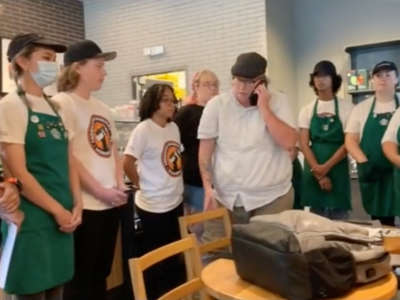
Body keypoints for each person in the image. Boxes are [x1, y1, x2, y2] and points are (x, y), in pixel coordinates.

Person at [0, 33, 81, 300]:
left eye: (55, 60)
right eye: (46, 58)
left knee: (57, 290)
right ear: (22, 61)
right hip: (32, 218)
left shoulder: (57, 107)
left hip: (63, 218)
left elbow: (70, 161)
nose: (54, 66)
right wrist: (57, 210)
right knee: (32, 292)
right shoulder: (10, 106)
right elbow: (19, 172)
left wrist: (77, 205)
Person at [53, 40, 127, 300]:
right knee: (80, 279)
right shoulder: (62, 103)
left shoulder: (103, 109)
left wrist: (119, 184)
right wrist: (99, 190)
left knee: (101, 274)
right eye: (99, 66)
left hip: (110, 204)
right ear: (77, 68)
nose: (104, 72)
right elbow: (68, 155)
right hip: (86, 205)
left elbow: (114, 151)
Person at [198, 52, 297, 224]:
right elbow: (205, 153)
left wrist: (264, 108)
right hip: (226, 197)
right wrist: (208, 190)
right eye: (237, 80)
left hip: (272, 197)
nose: (242, 87)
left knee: (267, 249)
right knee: (218, 249)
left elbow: (289, 142)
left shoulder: (279, 101)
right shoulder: (217, 105)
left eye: (249, 82)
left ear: (261, 82)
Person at [123, 84, 185, 299]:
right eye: (166, 100)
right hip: (153, 205)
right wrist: (140, 183)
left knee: (173, 256)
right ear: (154, 103)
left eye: (173, 100)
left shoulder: (173, 128)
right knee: (155, 257)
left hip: (174, 201)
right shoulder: (143, 130)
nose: (171, 104)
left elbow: (174, 158)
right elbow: (127, 162)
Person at [345, 61, 400, 226]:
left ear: (397, 79)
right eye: (378, 75)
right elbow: (350, 140)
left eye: (388, 75)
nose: (383, 79)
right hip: (373, 173)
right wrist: (363, 162)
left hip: (397, 172)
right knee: (380, 224)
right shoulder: (361, 109)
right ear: (372, 80)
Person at [298, 60, 353, 219]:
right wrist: (320, 173)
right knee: (316, 222)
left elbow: (348, 143)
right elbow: (303, 143)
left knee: (340, 221)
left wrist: (326, 167)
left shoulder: (347, 108)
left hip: (337, 167)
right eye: (317, 76)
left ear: (333, 79)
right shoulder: (306, 110)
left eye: (325, 76)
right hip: (313, 169)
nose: (320, 80)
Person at [174, 70, 219, 219]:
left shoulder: (220, 111)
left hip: (219, 178)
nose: (212, 88)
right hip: (195, 179)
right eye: (207, 84)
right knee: (201, 227)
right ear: (196, 87)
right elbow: (172, 143)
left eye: (215, 85)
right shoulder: (186, 113)